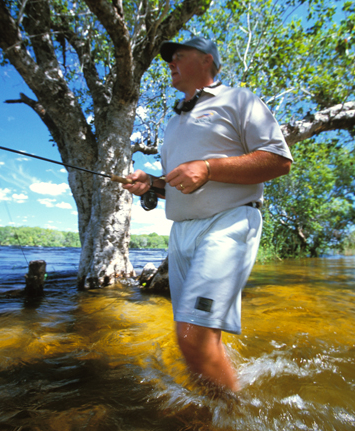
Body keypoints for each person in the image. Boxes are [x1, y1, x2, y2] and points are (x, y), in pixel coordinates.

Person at [123, 37, 293, 392]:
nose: (170, 62)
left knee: (192, 337)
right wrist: (151, 184)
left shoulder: (239, 99)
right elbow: (178, 183)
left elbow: (278, 161)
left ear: (206, 61)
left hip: (228, 222)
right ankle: (210, 418)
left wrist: (209, 167)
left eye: (178, 55)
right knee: (195, 339)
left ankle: (229, 428)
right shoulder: (172, 124)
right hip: (181, 236)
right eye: (169, 58)